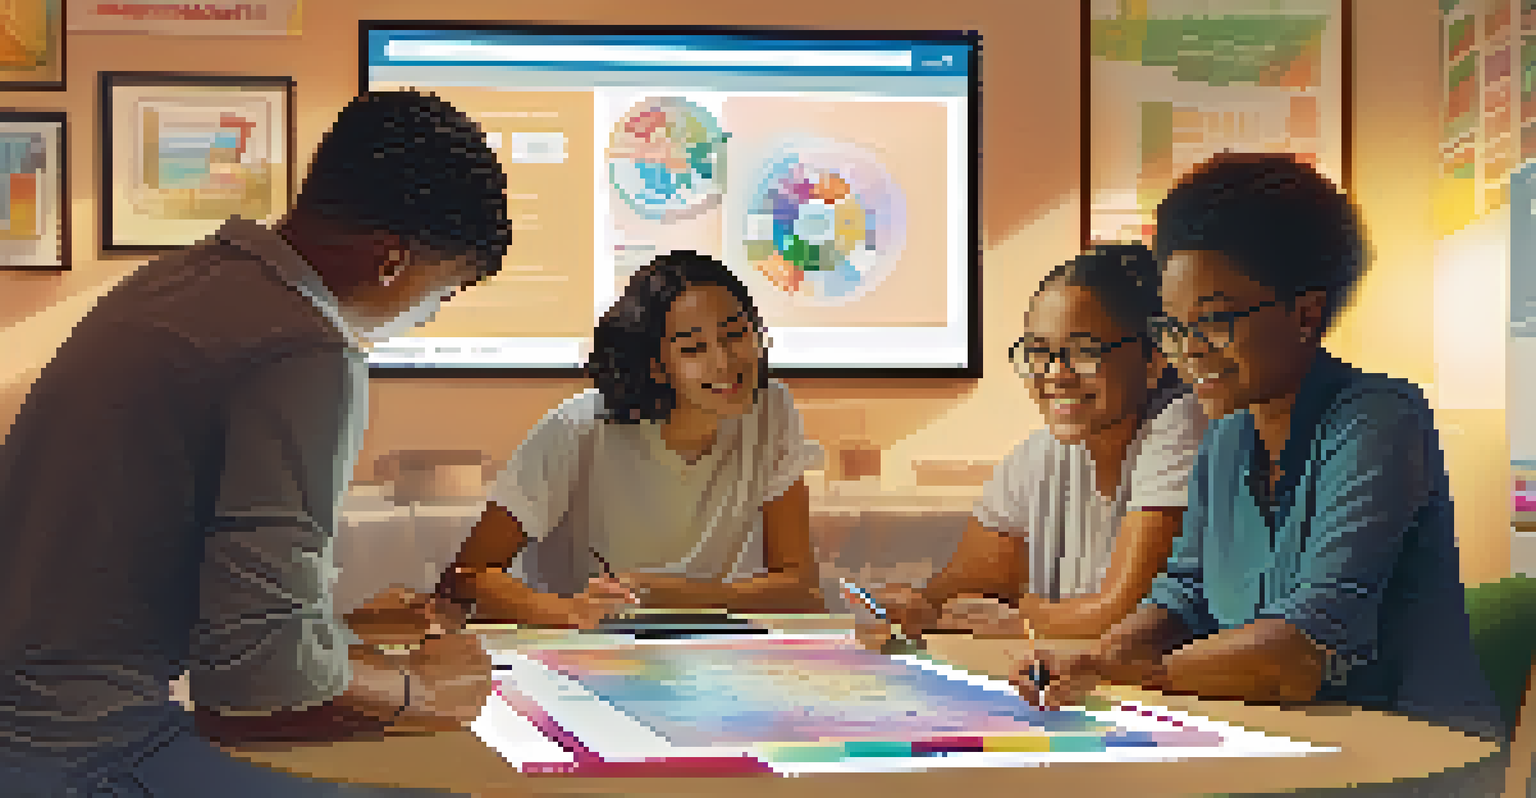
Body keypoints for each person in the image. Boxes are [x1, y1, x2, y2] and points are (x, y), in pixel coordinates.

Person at [0, 90, 511, 796]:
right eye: (444, 292)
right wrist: (416, 687)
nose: (428, 317)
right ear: (391, 261)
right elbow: (256, 675)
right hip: (82, 753)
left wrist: (329, 633)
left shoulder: (176, 281)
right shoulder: (306, 349)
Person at [1013, 153, 1505, 749]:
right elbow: (1183, 597)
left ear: (1306, 313)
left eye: (1214, 321)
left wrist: (1133, 673)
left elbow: (1300, 653)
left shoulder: (1379, 420)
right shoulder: (1225, 439)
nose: (1188, 351)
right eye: (1173, 327)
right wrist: (1099, 655)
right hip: (1274, 739)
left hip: (1410, 756)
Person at [437, 250, 825, 626]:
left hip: (699, 652)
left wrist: (674, 597)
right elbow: (464, 577)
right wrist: (568, 613)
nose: (724, 362)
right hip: (573, 651)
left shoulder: (771, 409)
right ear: (656, 365)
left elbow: (801, 590)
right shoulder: (580, 429)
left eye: (736, 335)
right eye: (693, 349)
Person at [874, 244, 1206, 640]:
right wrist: (914, 606)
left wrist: (1022, 618)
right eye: (1038, 352)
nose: (1055, 374)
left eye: (1084, 351)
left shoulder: (1182, 422)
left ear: (1153, 359)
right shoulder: (1038, 454)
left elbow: (1121, 616)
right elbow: (965, 590)